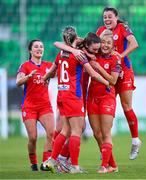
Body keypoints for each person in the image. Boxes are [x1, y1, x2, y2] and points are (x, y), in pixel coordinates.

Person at [44, 26, 109, 173]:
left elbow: (52, 70)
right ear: (75, 38)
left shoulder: (61, 53)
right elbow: (93, 74)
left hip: (62, 94)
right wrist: (107, 83)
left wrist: (44, 78)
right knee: (76, 130)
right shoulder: (79, 55)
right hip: (74, 95)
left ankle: (53, 160)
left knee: (66, 130)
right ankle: (74, 166)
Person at [96, 7, 141, 160]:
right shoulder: (100, 30)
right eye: (104, 17)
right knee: (106, 108)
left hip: (125, 71)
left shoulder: (122, 28)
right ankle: (106, 152)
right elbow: (94, 47)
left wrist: (119, 57)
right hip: (109, 72)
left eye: (110, 17)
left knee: (126, 106)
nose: (107, 20)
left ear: (116, 17)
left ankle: (135, 140)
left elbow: (134, 44)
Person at [16, 39, 55, 171]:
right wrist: (28, 76)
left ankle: (45, 163)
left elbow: (58, 69)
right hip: (29, 106)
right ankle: (33, 163)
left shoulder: (48, 65)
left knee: (51, 132)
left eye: (41, 47)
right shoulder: (25, 65)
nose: (39, 49)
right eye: (36, 47)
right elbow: (18, 82)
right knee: (33, 137)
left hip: (45, 106)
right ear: (30, 50)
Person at [87, 29, 120, 173]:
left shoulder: (115, 59)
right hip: (92, 97)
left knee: (106, 133)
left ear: (113, 45)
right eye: (103, 42)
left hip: (107, 97)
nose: (105, 45)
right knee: (96, 134)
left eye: (109, 43)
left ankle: (104, 166)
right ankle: (113, 165)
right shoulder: (94, 54)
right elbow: (84, 42)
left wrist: (99, 67)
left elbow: (113, 81)